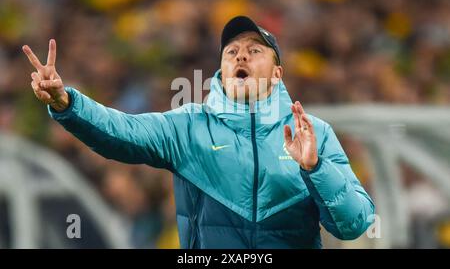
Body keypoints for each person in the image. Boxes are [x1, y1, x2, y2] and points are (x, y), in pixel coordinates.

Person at [23, 15, 375, 249]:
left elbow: (355, 224)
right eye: (232, 52)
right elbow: (122, 132)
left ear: (278, 73)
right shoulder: (190, 126)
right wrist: (67, 102)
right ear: (221, 70)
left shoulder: (313, 134)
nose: (241, 57)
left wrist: (315, 169)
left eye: (254, 51)